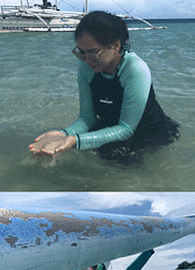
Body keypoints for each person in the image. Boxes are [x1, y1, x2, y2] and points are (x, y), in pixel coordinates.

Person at [30, 11, 179, 163]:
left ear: (115, 46)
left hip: (150, 130)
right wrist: (63, 134)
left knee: (116, 161)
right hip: (113, 125)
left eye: (93, 53)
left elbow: (126, 129)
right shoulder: (85, 67)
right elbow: (87, 119)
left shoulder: (135, 69)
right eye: (82, 53)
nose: (87, 60)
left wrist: (76, 140)